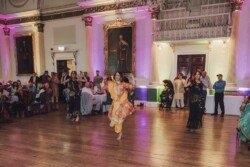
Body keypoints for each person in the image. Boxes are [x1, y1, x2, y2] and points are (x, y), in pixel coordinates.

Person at [107, 72, 135, 140]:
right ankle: (119, 131)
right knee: (115, 118)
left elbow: (132, 87)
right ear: (114, 76)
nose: (117, 76)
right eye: (116, 75)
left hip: (122, 104)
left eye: (118, 75)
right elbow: (108, 90)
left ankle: (120, 133)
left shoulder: (123, 84)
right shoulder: (112, 84)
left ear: (120, 76)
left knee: (120, 119)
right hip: (115, 104)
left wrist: (132, 79)